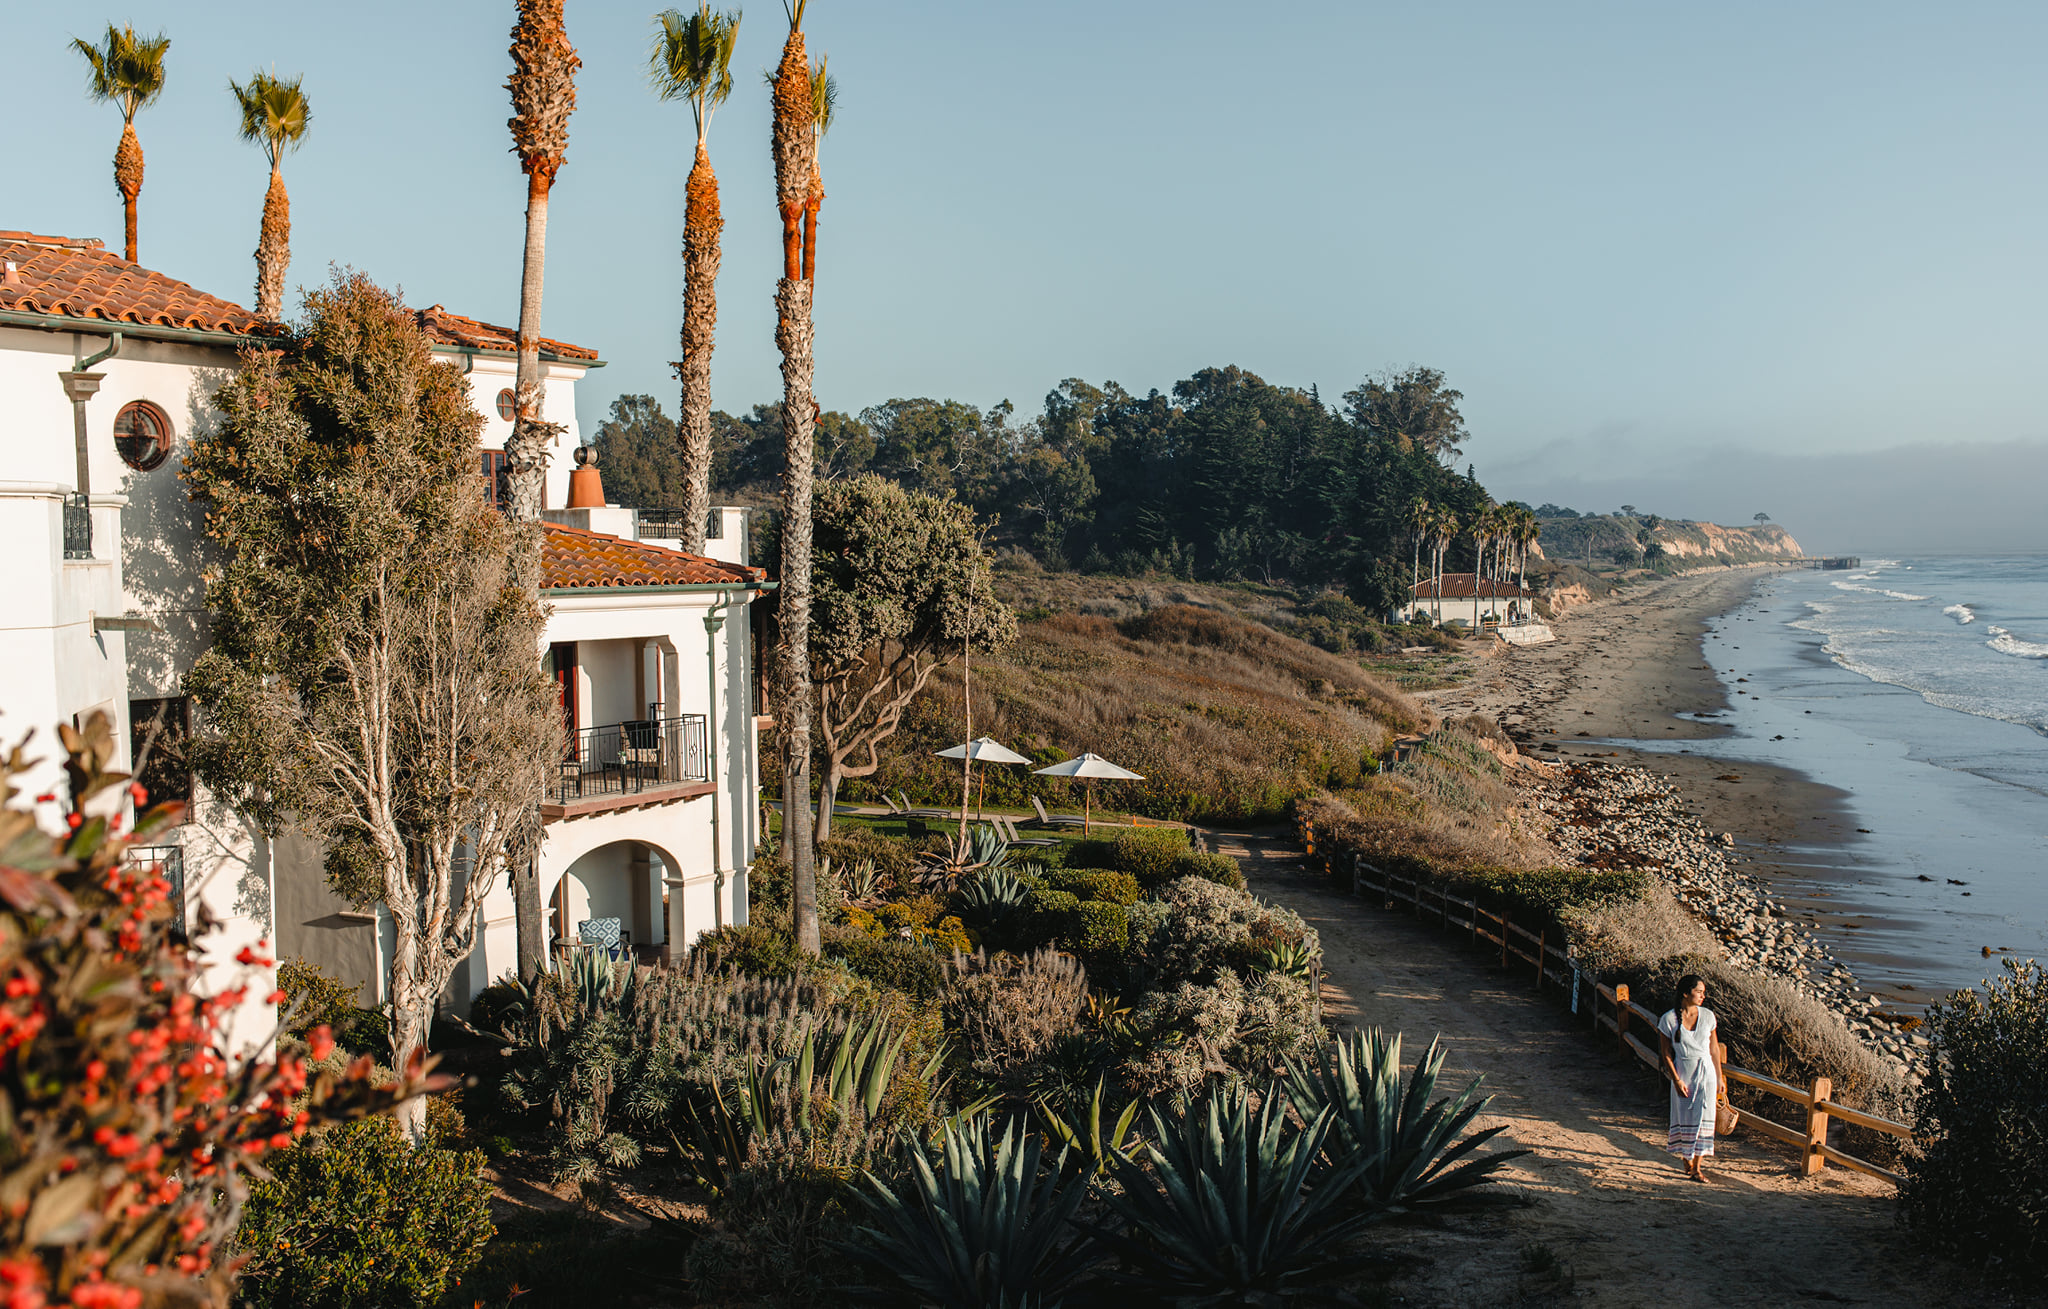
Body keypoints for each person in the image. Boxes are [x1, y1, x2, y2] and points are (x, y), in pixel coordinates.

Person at [1657, 974, 1726, 1181]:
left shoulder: (1708, 1016)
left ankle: (1697, 1167)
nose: (1702, 996)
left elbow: (1714, 1049)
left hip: (1707, 1073)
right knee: (1684, 1116)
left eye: (1704, 993)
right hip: (1683, 1072)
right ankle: (1686, 1159)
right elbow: (1666, 1052)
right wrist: (1676, 1079)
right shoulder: (1669, 1019)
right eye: (1698, 992)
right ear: (1685, 993)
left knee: (1705, 1117)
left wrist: (1720, 1078)